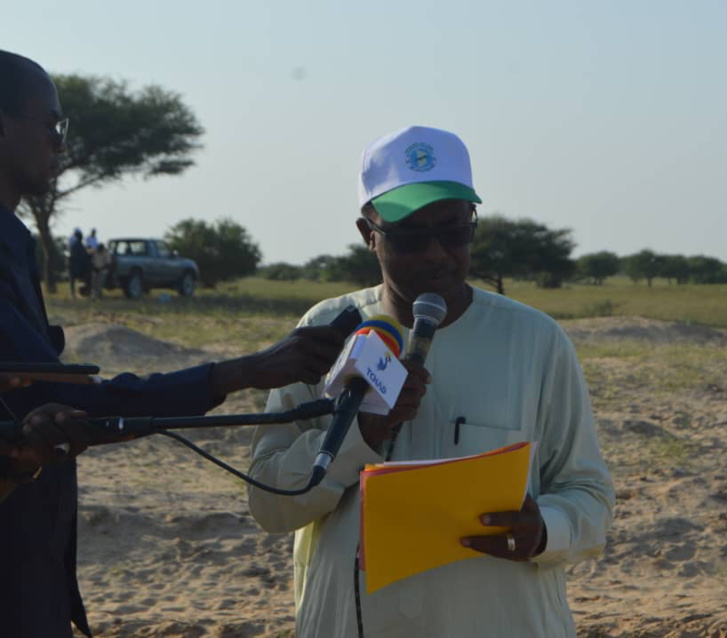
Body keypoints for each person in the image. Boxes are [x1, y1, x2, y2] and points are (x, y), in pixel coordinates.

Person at [0, 50, 353, 637]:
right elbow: (70, 403)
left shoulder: (16, 241)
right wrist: (241, 372)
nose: (60, 146)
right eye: (52, 126)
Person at [248, 126, 615, 637]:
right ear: (367, 233)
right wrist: (364, 435)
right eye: (411, 237)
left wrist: (545, 530)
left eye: (454, 231)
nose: (436, 253)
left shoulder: (536, 341)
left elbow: (588, 491)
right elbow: (269, 504)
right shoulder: (325, 334)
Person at [68, 228, 89, 298]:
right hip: (75, 265)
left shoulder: (79, 245)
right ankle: (73, 294)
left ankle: (80, 292)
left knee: (80, 280)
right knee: (73, 280)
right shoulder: (75, 245)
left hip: (79, 265)